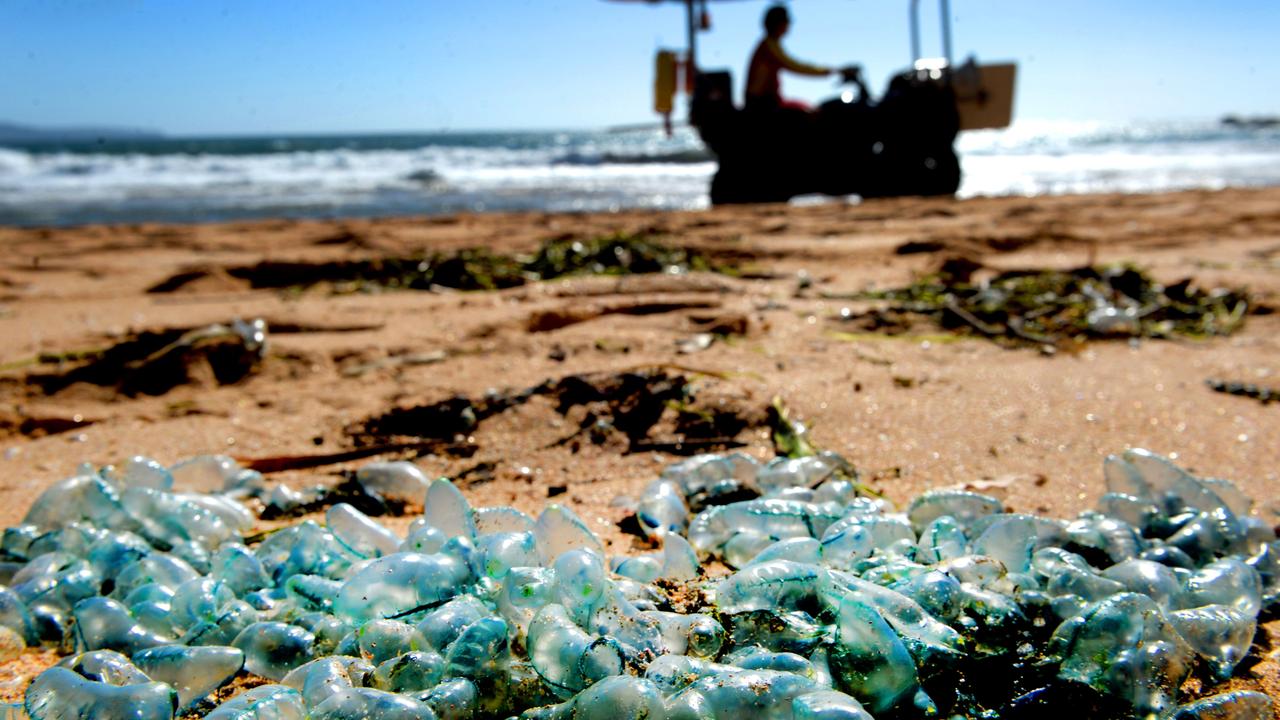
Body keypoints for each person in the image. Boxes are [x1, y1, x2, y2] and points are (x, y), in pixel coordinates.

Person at [745, 5, 835, 112]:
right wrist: (830, 71)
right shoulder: (768, 46)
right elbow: (794, 65)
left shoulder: (770, 43)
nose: (789, 25)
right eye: (787, 21)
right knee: (809, 113)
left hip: (767, 101)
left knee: (808, 108)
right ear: (779, 23)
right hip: (762, 104)